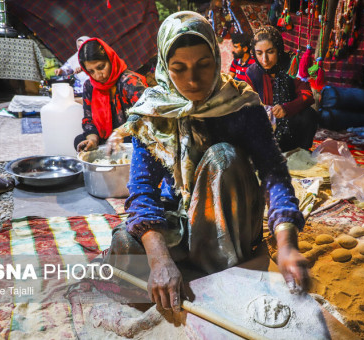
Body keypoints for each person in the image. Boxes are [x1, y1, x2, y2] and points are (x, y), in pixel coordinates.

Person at [102, 11, 310, 312]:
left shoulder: (240, 104)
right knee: (126, 244)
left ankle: (221, 271)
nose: (192, 80)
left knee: (221, 157)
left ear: (217, 56)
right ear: (164, 65)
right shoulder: (153, 111)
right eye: (178, 68)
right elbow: (142, 189)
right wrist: (159, 259)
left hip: (229, 217)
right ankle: (195, 272)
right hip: (183, 219)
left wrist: (287, 245)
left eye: (204, 65)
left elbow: (273, 173)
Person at [245, 26, 319, 152]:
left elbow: (307, 95)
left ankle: (302, 151)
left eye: (270, 52)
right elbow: (246, 100)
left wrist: (286, 108)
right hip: (266, 126)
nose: (264, 59)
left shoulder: (293, 64)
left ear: (279, 50)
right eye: (259, 53)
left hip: (291, 122)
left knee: (309, 115)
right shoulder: (252, 72)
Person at [74, 38, 147, 152]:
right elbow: (88, 119)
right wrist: (92, 140)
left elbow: (147, 113)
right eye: (91, 71)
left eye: (100, 67)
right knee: (79, 140)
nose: (98, 76)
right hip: (107, 137)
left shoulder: (129, 81)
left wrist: (120, 133)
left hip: (130, 134)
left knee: (137, 142)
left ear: (110, 59)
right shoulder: (90, 86)